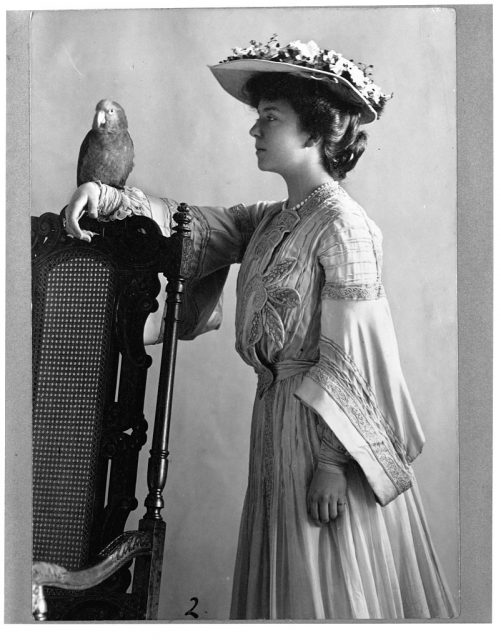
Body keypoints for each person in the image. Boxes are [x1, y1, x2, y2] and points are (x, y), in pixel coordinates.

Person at [64, 37, 457, 620]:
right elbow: (188, 225)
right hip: (273, 424)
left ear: (315, 131)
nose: (255, 131)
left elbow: (355, 351)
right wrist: (108, 197)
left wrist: (330, 463)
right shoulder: (271, 220)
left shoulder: (343, 226)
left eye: (269, 118)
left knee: (324, 589)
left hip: (327, 442)